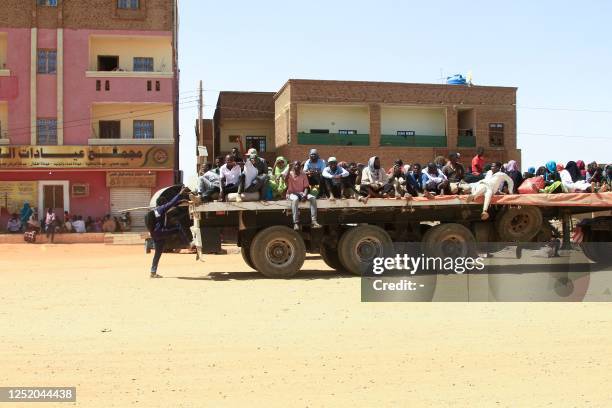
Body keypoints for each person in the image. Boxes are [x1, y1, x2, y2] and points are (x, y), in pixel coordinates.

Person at [149, 186, 190, 278]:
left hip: (155, 234)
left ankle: (153, 272)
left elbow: (173, 205)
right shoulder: (162, 208)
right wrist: (180, 194)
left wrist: (181, 202)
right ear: (163, 203)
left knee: (157, 253)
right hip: (161, 232)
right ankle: (187, 244)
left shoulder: (155, 210)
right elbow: (171, 203)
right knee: (178, 229)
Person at [282, 161, 321, 230]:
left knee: (313, 198)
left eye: (299, 165)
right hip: (291, 193)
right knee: (295, 199)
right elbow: (285, 180)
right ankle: (296, 223)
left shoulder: (303, 174)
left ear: (300, 167)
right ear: (293, 166)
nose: (297, 166)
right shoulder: (290, 174)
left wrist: (305, 195)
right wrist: (288, 169)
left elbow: (306, 187)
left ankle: (314, 221)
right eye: (296, 165)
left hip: (301, 193)